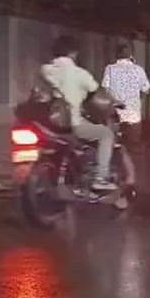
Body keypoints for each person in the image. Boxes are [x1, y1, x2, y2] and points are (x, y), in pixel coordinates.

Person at [40, 35, 117, 192]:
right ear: (73, 53)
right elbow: (97, 95)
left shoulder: (44, 70)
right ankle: (100, 178)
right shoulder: (80, 74)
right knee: (106, 134)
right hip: (71, 123)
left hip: (46, 123)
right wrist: (112, 103)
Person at [102, 42, 150, 185]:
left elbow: (105, 89)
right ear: (130, 55)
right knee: (132, 147)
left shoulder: (110, 69)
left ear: (116, 55)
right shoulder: (138, 70)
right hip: (133, 114)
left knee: (112, 145)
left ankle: (112, 175)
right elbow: (146, 89)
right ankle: (130, 177)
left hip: (114, 115)